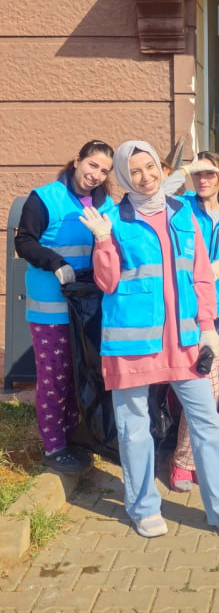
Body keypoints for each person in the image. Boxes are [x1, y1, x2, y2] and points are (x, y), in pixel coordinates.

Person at [80, 139, 219, 540]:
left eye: (151, 168)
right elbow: (106, 283)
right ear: (124, 176)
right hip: (131, 342)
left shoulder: (182, 212)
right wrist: (103, 241)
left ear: (161, 169)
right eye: (135, 171)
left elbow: (200, 274)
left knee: (207, 423)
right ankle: (143, 507)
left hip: (184, 339)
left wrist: (208, 326)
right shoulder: (113, 217)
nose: (145, 177)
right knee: (134, 428)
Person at [15, 139, 114, 474]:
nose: (96, 175)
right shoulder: (45, 198)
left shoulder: (106, 204)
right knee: (55, 379)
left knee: (80, 375)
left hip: (87, 307)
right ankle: (54, 447)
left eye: (104, 171)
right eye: (92, 165)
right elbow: (24, 241)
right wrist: (55, 262)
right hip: (51, 308)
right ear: (77, 161)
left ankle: (75, 437)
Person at [169, 150, 219, 491]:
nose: (203, 179)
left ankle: (187, 461)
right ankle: (185, 459)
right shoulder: (179, 207)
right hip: (182, 313)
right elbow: (157, 194)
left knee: (207, 392)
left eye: (210, 173)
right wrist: (184, 169)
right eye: (198, 173)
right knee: (190, 390)